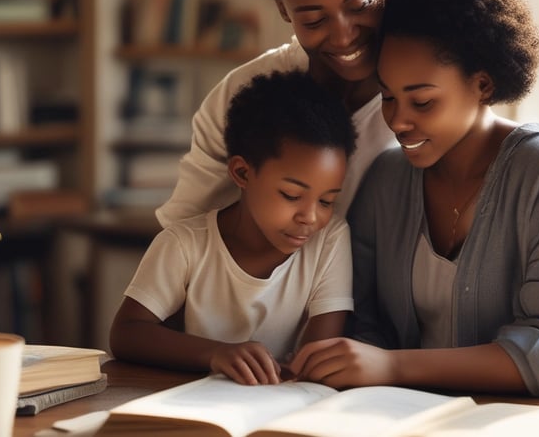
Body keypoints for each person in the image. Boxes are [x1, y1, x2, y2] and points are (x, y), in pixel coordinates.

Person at [289, 0, 539, 402]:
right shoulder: (386, 180)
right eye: (389, 96)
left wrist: (394, 365)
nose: (397, 120)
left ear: (484, 85)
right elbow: (362, 319)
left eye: (423, 101)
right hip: (413, 416)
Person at [155, 0, 396, 226]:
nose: (343, 37)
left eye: (361, 5)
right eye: (314, 20)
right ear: (284, 10)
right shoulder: (241, 97)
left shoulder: (429, 91)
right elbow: (181, 234)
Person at [110, 71, 358, 386]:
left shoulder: (329, 240)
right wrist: (217, 353)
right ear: (242, 172)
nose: (310, 217)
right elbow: (126, 333)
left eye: (326, 201)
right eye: (292, 196)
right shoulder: (185, 244)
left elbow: (317, 356)